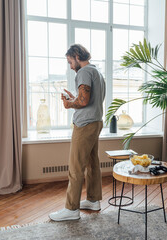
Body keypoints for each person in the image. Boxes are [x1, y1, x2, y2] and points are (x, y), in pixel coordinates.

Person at [49, 44, 105, 221]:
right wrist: (74, 99)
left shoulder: (84, 72)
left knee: (75, 167)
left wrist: (69, 103)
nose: (70, 66)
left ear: (76, 56)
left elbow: (83, 100)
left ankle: (71, 209)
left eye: (70, 62)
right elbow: (88, 99)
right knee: (92, 163)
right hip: (95, 121)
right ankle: (93, 200)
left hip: (84, 124)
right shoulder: (96, 72)